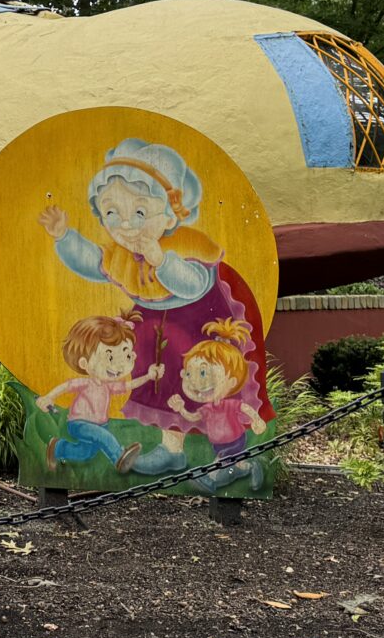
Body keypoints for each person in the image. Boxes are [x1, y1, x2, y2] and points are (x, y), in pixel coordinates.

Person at [39, 138, 257, 474]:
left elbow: (195, 283)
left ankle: (227, 449)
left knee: (202, 382)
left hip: (196, 323)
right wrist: (64, 237)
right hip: (155, 328)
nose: (125, 224)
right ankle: (172, 449)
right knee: (159, 383)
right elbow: (92, 261)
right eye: (112, 212)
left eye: (139, 212)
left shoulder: (187, 243)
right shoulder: (120, 253)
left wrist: (162, 261)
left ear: (170, 217)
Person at [38, 312, 161, 475]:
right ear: (84, 363)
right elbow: (66, 386)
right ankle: (119, 458)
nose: (119, 365)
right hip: (80, 423)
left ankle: (57, 447)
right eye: (110, 358)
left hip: (100, 423)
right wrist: (48, 397)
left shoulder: (108, 386)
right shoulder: (86, 383)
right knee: (105, 437)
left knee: (84, 453)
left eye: (126, 354)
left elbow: (129, 384)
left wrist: (148, 376)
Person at [165, 336, 270, 494]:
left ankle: (210, 480)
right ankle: (251, 467)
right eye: (189, 374)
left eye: (203, 372)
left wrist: (256, 419)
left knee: (220, 461)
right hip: (217, 444)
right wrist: (181, 409)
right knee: (237, 464)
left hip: (235, 440)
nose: (196, 383)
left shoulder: (228, 404)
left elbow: (245, 408)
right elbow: (193, 417)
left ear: (232, 382)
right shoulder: (207, 408)